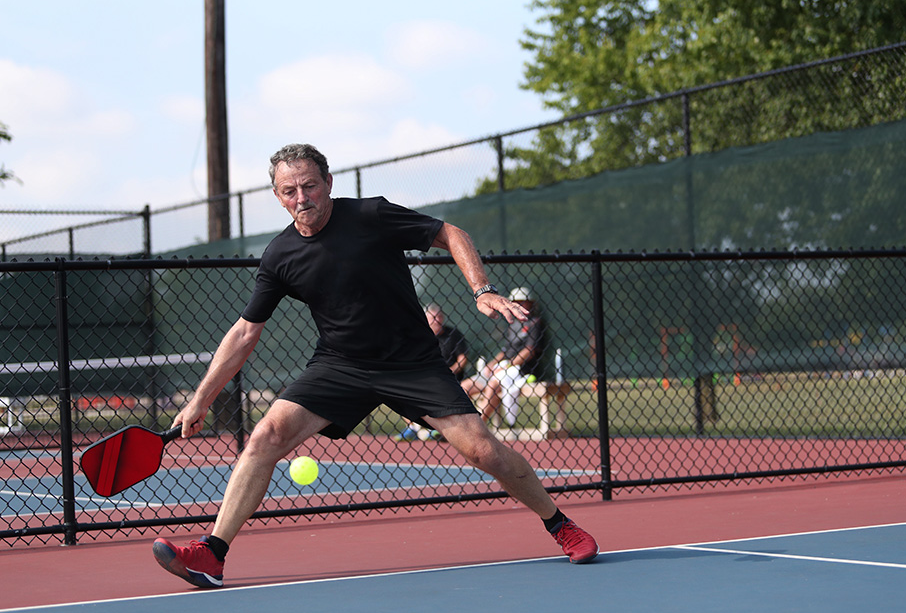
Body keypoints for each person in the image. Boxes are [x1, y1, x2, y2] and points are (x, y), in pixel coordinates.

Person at [152, 143, 599, 588]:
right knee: (266, 435)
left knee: (482, 450)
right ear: (277, 196)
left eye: (309, 185)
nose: (301, 197)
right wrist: (200, 399)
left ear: (328, 183)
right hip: (340, 365)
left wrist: (481, 289)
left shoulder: (371, 216)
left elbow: (450, 232)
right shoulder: (280, 256)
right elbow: (245, 332)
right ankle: (212, 554)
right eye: (289, 190)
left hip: (413, 362)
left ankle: (560, 524)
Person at [462, 287, 548, 428]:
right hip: (503, 368)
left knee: (493, 385)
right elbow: (505, 351)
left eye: (523, 302)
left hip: (522, 370)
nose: (519, 305)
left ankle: (476, 427)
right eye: (516, 302)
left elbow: (529, 351)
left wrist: (507, 365)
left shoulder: (535, 323)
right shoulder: (512, 324)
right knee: (465, 387)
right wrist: (493, 363)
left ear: (530, 304)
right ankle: (462, 425)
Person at [395, 303, 469, 441]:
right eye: (433, 318)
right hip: (427, 376)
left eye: (439, 317)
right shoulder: (419, 336)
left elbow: (463, 359)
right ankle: (413, 428)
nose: (437, 320)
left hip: (451, 377)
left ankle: (436, 428)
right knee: (403, 392)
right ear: (426, 319)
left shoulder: (453, 334)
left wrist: (450, 371)